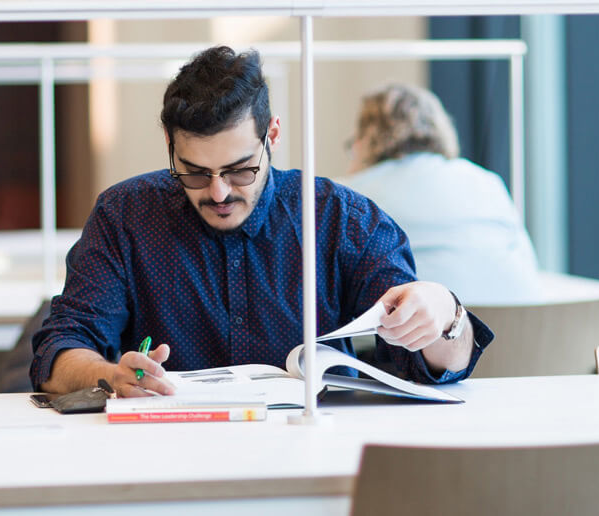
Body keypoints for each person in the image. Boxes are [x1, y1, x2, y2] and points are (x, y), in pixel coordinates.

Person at [31, 46, 493, 397]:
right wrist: (110, 376)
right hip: (171, 462)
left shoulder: (339, 218)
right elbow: (61, 348)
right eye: (194, 171)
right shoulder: (125, 215)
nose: (218, 192)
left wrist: (443, 313)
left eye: (239, 169)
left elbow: (433, 366)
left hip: (320, 455)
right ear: (169, 142)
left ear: (271, 133)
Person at [339, 84, 542, 305]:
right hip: (527, 329)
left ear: (364, 142)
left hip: (429, 333)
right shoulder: (487, 181)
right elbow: (528, 264)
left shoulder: (350, 198)